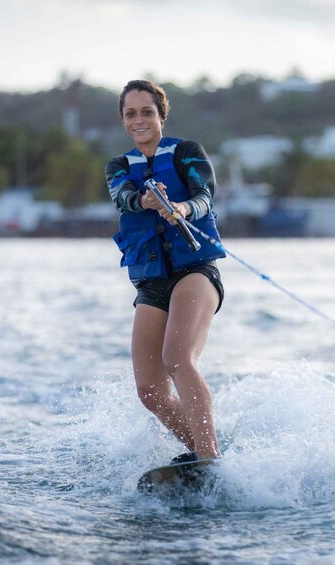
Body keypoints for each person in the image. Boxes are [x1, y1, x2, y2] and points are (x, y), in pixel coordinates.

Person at [105, 80, 227, 463]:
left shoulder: (187, 152)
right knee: (150, 391)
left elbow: (205, 193)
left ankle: (209, 457)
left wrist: (183, 209)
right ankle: (200, 448)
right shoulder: (119, 166)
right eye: (131, 113)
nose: (139, 120)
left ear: (161, 115)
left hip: (195, 272)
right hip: (152, 282)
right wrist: (145, 200)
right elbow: (122, 197)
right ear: (123, 119)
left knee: (177, 359)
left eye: (147, 112)